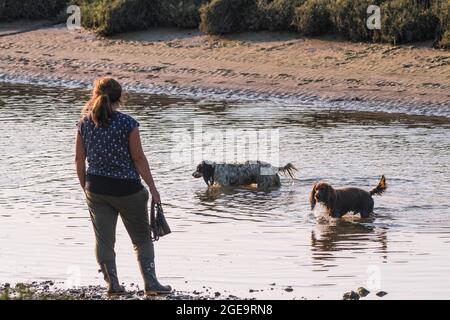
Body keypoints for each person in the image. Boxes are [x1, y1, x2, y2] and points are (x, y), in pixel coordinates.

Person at [75, 77, 171, 296]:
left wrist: (86, 187)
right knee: (141, 238)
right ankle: (152, 284)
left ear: (95, 95)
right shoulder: (128, 123)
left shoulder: (84, 124)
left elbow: (79, 159)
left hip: (97, 189)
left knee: (104, 240)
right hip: (129, 190)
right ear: (119, 98)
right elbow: (138, 158)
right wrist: (153, 189)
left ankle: (113, 286)